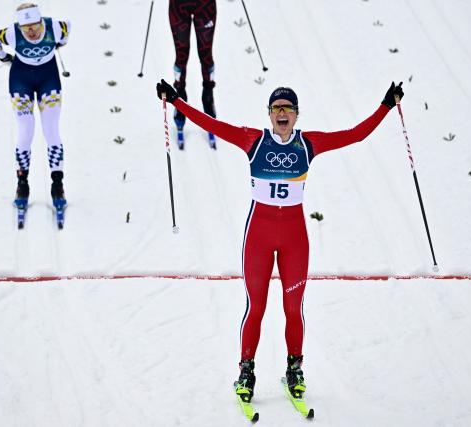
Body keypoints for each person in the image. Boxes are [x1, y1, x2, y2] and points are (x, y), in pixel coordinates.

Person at [155, 78, 404, 402]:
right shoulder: (253, 141)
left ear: (297, 115)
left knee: (293, 307)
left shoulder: (308, 144)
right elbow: (211, 123)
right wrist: (176, 102)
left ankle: (294, 369)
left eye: (287, 109)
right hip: (258, 236)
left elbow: (354, 135)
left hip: (294, 240)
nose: (282, 114)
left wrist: (386, 106)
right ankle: (246, 372)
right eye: (276, 108)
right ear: (269, 114)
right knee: (255, 307)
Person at [0, 3, 70, 209]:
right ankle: (22, 184)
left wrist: (61, 43)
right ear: (20, 27)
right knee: (26, 130)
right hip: (20, 80)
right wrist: (3, 57)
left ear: (41, 21)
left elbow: (67, 28)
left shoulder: (55, 27)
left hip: (48, 79)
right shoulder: (12, 34)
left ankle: (57, 185)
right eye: (26, 29)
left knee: (51, 130)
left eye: (35, 26)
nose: (31, 32)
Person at [168, 0, 217, 149]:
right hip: (179, 6)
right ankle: (180, 98)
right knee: (181, 56)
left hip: (205, 5)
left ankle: (208, 100)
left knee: (206, 55)